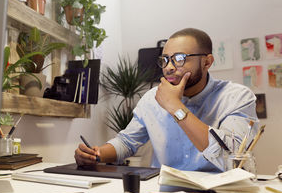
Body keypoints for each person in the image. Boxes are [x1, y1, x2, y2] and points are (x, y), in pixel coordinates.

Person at [75, 28, 258, 172]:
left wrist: (175, 107)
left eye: (179, 59)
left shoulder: (237, 97)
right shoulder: (151, 99)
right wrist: (97, 154)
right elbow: (126, 142)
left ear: (207, 62)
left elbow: (232, 156)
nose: (169, 67)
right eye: (165, 60)